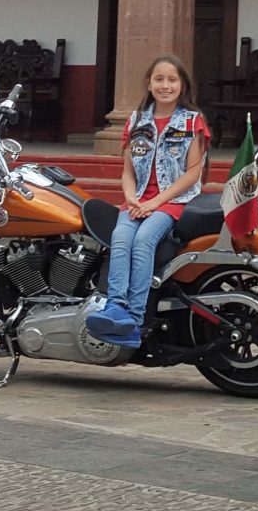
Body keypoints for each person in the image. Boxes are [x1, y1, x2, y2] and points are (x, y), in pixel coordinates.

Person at [84, 54, 210, 347]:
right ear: (149, 84)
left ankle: (135, 318)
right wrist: (131, 198)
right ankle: (115, 306)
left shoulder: (192, 122)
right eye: (159, 79)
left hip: (172, 201)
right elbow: (127, 171)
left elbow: (192, 174)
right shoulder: (137, 120)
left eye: (172, 80)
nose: (165, 85)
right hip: (137, 201)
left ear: (182, 85)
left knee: (143, 243)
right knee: (120, 239)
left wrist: (155, 203)